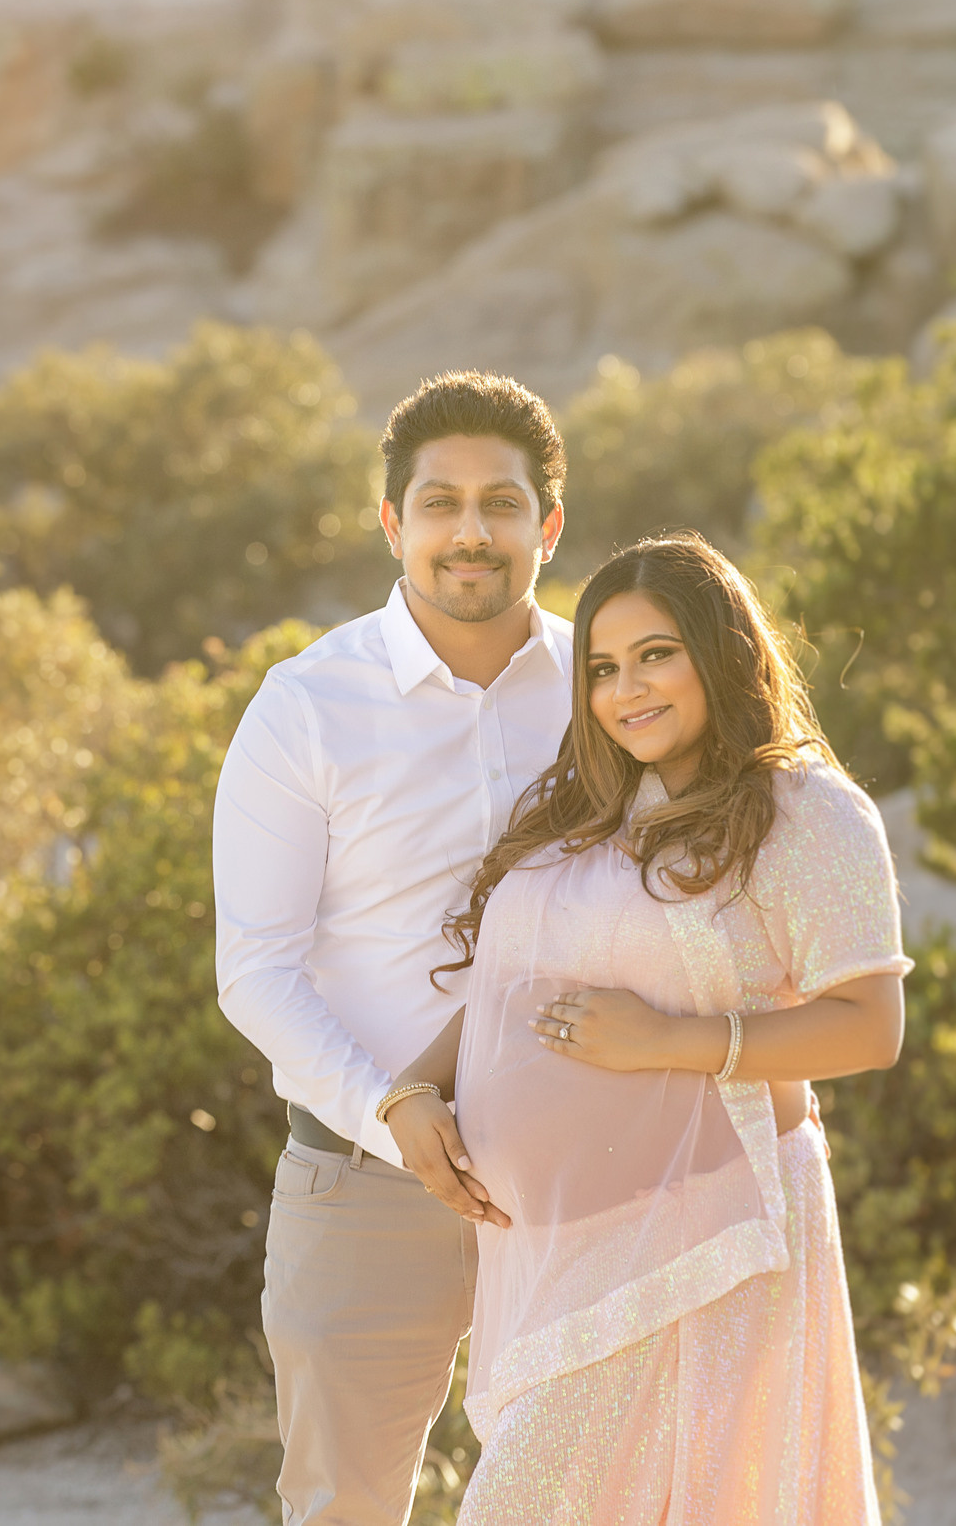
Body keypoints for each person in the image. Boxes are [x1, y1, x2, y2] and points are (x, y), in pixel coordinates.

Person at [397, 532, 907, 1525]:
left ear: (719, 652)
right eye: (601, 667)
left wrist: (673, 1041)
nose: (627, 689)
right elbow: (513, 996)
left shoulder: (804, 812)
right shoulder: (586, 816)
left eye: (655, 655)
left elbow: (868, 1027)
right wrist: (414, 1087)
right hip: (572, 1244)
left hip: (719, 1232)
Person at [213, 372, 568, 1525]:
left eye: (502, 504)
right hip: (360, 1178)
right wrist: (391, 1111)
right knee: (345, 1511)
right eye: (440, 502)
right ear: (391, 522)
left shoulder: (611, 690)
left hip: (581, 1174)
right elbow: (254, 972)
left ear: (547, 525)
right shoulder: (305, 708)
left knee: (598, 1492)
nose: (471, 532)